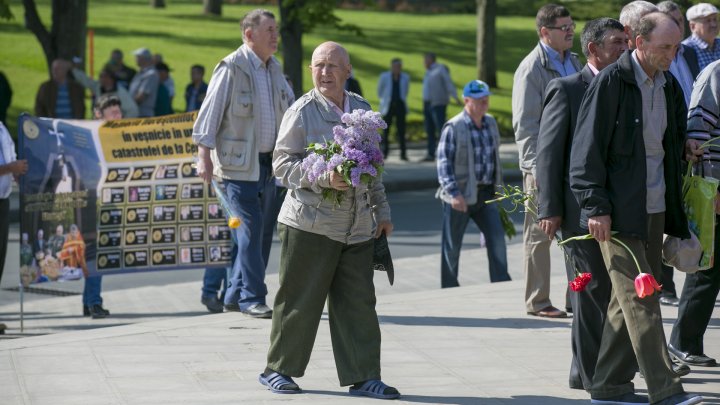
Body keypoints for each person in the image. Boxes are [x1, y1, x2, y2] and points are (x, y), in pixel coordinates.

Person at [569, 12, 703, 405]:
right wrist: (595, 207)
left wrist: (685, 147)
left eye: (676, 46)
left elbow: (667, 138)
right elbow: (585, 151)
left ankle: (608, 386)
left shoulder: (668, 85)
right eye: (665, 47)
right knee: (642, 297)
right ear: (637, 41)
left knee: (623, 301)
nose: (672, 54)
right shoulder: (612, 82)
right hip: (617, 213)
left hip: (656, 205)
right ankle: (665, 390)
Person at [259, 40, 399, 400]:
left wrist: (382, 213)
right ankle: (278, 370)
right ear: (310, 71)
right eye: (318, 65)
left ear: (347, 71)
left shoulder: (363, 111)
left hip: (357, 228)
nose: (325, 73)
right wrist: (322, 177)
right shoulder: (302, 111)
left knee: (359, 304)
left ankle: (364, 376)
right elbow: (281, 165)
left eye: (332, 66)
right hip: (309, 225)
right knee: (299, 301)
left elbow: (375, 168)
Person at [537, 18, 628, 391]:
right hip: (577, 216)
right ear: (593, 50)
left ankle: (581, 369)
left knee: (601, 294)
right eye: (616, 43)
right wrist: (549, 209)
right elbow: (549, 154)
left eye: (626, 41)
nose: (625, 48)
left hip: (614, 211)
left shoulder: (625, 86)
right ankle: (594, 379)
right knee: (588, 292)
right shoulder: (568, 89)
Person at [193, 9, 294, 319]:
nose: (275, 36)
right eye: (269, 30)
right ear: (249, 35)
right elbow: (208, 116)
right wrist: (203, 157)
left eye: (276, 29)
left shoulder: (275, 68)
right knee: (249, 230)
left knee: (262, 234)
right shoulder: (231, 67)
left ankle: (236, 294)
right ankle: (253, 297)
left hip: (270, 167)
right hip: (236, 168)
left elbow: (291, 110)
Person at [512, 3, 581, 319]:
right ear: (544, 32)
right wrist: (535, 169)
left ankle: (576, 297)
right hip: (543, 167)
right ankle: (538, 301)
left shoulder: (575, 62)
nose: (570, 32)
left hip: (575, 163)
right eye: (563, 27)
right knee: (539, 235)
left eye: (571, 25)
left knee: (576, 234)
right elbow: (525, 125)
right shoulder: (531, 69)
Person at [668, 58, 720, 370]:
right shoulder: (716, 73)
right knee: (708, 267)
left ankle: (685, 340)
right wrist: (713, 190)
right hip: (714, 188)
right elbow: (698, 138)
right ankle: (683, 341)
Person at [436, 79, 510, 288]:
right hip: (459, 194)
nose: (483, 104)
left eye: (486, 100)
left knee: (496, 238)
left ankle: (501, 284)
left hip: (486, 193)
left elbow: (494, 158)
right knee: (452, 247)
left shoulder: (491, 123)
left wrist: (498, 188)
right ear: (466, 100)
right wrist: (453, 193)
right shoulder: (454, 126)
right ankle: (449, 288)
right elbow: (443, 164)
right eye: (478, 100)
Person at [657, 1, 701, 307]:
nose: (678, 26)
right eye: (671, 21)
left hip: (687, 144)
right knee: (661, 219)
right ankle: (664, 285)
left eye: (680, 21)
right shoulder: (661, 58)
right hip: (666, 146)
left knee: (679, 212)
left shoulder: (689, 54)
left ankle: (675, 278)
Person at [0, 121, 28, 333]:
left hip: (3, 200)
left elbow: (10, 156)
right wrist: (10, 168)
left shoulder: (1, 127)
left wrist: (15, 172)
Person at [421, 52, 460, 162]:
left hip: (437, 104)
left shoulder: (440, 69)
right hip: (427, 103)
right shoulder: (428, 72)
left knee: (441, 129)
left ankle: (447, 152)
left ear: (431, 60)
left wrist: (455, 97)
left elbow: (448, 83)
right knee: (429, 129)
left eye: (425, 60)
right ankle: (430, 153)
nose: (424, 63)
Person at [71, 67, 139, 118]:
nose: (103, 79)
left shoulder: (121, 92)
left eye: (105, 77)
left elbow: (133, 110)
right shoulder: (98, 87)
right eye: (101, 77)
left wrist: (123, 123)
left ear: (112, 79)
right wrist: (72, 70)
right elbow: (85, 81)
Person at [377, 58, 410, 160]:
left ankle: (403, 154)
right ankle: (385, 153)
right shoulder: (385, 76)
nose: (397, 69)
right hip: (389, 104)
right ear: (391, 67)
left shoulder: (405, 77)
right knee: (386, 130)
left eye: (399, 67)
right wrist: (385, 99)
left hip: (400, 104)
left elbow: (406, 91)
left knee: (401, 130)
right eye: (395, 66)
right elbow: (380, 91)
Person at [682, 3, 720, 72]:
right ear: (693, 26)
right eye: (707, 21)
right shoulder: (684, 50)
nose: (713, 24)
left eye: (715, 19)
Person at [128, 48, 160, 117]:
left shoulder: (151, 74)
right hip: (136, 113)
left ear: (143, 59)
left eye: (137, 57)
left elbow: (142, 96)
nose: (135, 59)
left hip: (143, 115)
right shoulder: (141, 72)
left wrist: (128, 106)